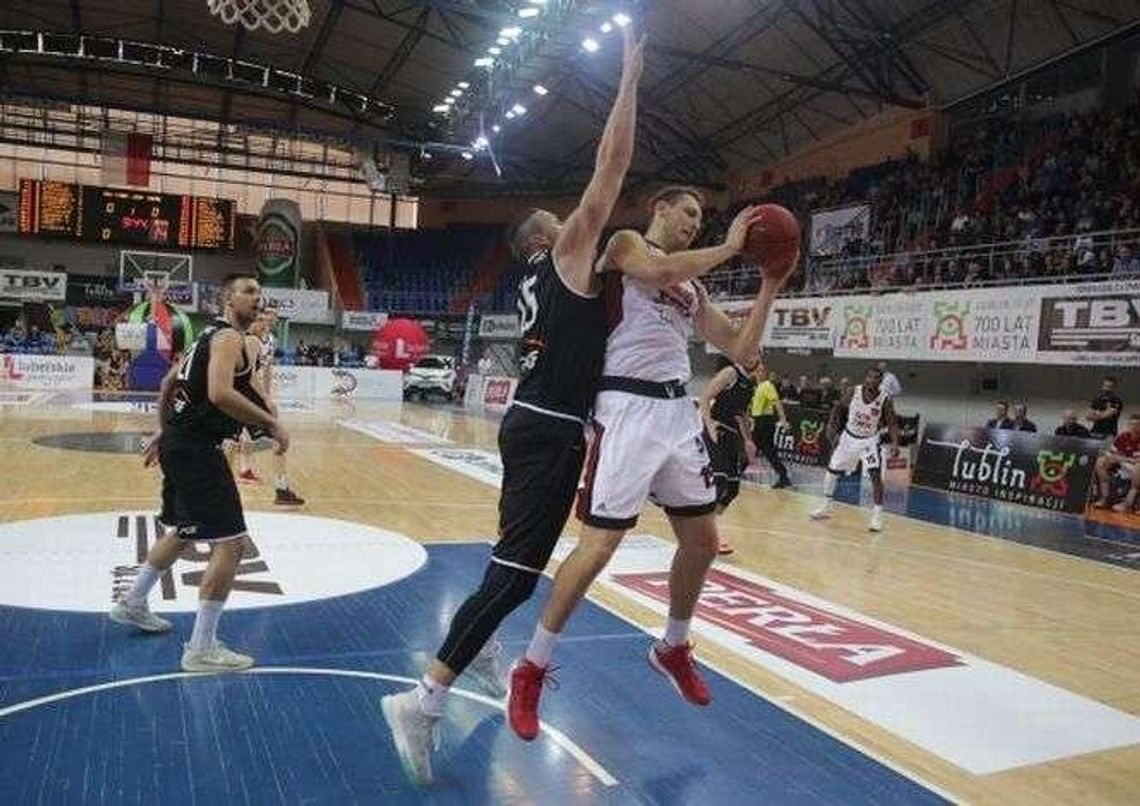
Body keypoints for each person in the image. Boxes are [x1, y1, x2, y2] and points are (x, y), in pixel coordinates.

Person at [380, 27, 646, 787]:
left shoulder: (544, 274)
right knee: (518, 576)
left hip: (540, 424)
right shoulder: (565, 256)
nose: (581, 225)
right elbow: (611, 168)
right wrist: (628, 78)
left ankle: (485, 646)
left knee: (509, 564)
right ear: (547, 237)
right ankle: (423, 700)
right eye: (567, 223)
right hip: (550, 428)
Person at [505, 185, 785, 741]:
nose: (693, 223)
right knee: (599, 547)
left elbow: (741, 349)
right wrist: (731, 248)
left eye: (700, 219)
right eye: (686, 213)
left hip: (677, 412)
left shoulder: (693, 286)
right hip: (626, 407)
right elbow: (658, 274)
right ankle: (530, 668)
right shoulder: (626, 244)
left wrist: (770, 284)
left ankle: (673, 647)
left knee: (702, 543)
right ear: (660, 209)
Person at [108, 273, 289, 672]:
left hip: (180, 442)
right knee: (233, 544)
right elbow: (220, 394)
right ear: (227, 299)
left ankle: (133, 602)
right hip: (196, 449)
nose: (256, 299)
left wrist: (163, 429)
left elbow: (168, 383)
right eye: (247, 291)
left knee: (184, 531)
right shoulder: (228, 339)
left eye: (259, 293)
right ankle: (201, 648)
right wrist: (272, 424)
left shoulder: (208, 336)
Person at [810, 366, 900, 533]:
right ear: (866, 377)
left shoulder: (885, 399)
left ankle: (877, 516)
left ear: (880, 382)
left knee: (875, 475)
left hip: (869, 440)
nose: (871, 381)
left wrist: (895, 443)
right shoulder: (853, 392)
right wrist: (832, 426)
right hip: (848, 438)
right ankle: (827, 505)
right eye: (869, 377)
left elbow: (892, 423)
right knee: (831, 471)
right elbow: (838, 408)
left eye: (875, 379)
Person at [243, 304, 304, 506]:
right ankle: (281, 488)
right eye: (262, 317)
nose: (268, 319)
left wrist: (267, 394)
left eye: (270, 316)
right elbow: (249, 374)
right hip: (246, 397)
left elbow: (266, 369)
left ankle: (280, 488)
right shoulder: (251, 340)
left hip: (248, 396)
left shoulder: (266, 340)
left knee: (233, 443)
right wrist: (265, 398)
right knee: (276, 439)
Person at [698, 356, 759, 556]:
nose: (757, 356)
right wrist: (709, 426)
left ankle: (706, 529)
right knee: (720, 482)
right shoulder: (730, 373)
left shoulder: (750, 382)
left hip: (732, 435)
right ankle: (707, 536)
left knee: (732, 489)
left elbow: (740, 415)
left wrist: (748, 440)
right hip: (717, 430)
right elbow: (705, 398)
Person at [749, 363, 791, 490]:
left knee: (754, 448)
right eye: (758, 371)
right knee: (767, 451)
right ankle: (784, 476)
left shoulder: (767, 386)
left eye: (762, 371)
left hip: (765, 422)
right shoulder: (757, 387)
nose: (760, 373)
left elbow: (777, 403)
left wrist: (783, 419)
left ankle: (735, 474)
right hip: (758, 421)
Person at [1094, 413, 1140, 512]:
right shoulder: (1122, 436)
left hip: (1135, 468)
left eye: (1137, 425)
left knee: (1138, 467)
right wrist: (1112, 457)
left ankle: (1127, 504)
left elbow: (1136, 461)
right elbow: (1111, 453)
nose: (1133, 427)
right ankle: (1104, 497)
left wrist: (1122, 459)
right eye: (1131, 424)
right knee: (1100, 461)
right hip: (1122, 465)